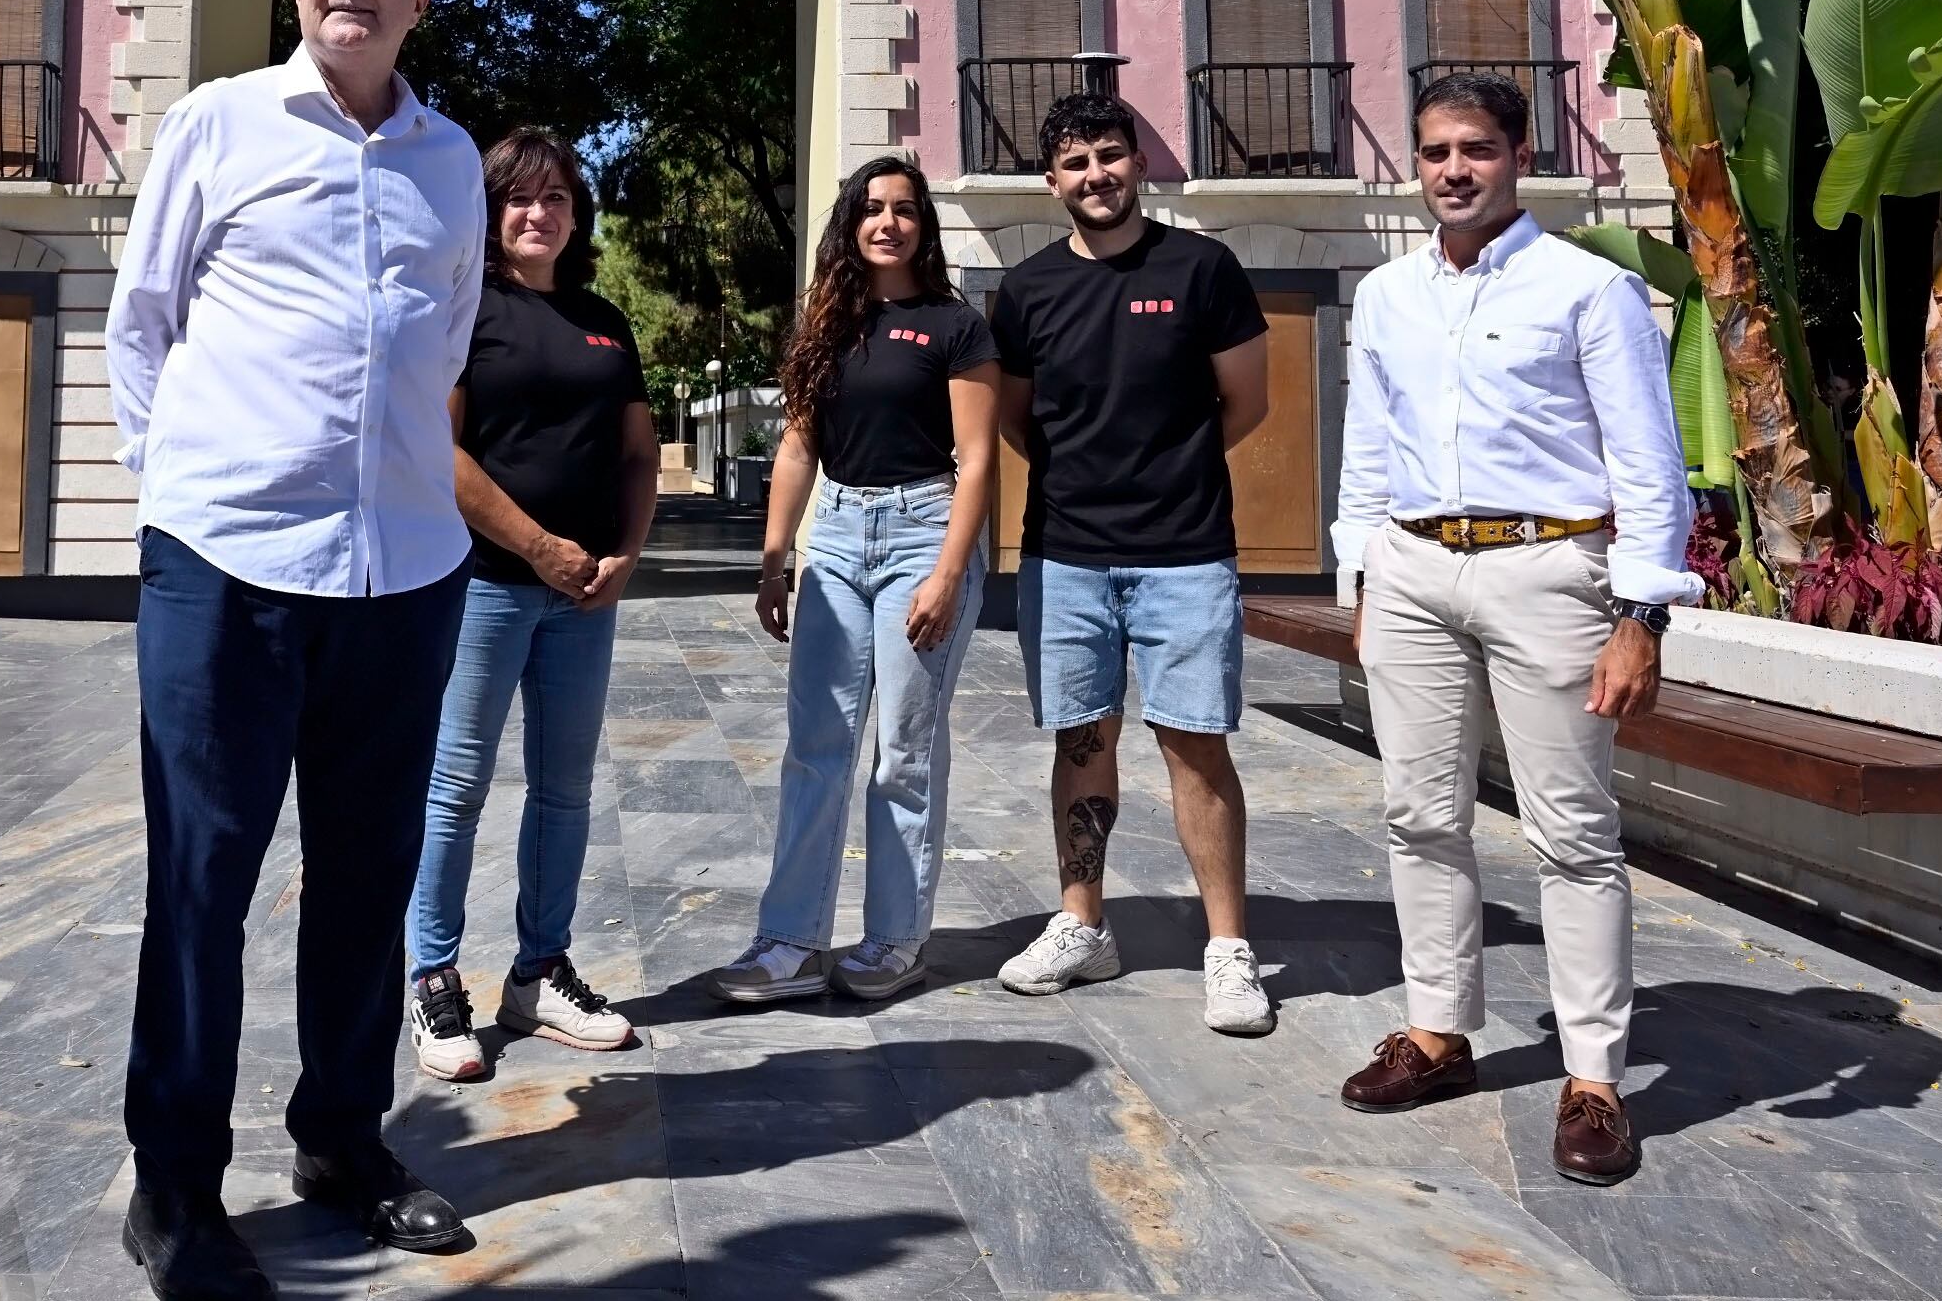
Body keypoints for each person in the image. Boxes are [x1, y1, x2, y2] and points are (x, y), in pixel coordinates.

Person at [104, 0, 486, 1301]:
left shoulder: (450, 158)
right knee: (202, 882)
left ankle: (340, 1136)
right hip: (227, 567)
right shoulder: (216, 124)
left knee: (369, 875)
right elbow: (142, 323)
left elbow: (440, 336)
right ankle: (177, 1187)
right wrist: (184, 494)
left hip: (401, 569)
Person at [1330, 70, 1694, 1186]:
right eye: (1435, 151)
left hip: (1551, 570)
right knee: (1419, 815)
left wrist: (1641, 615)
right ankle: (1438, 1034)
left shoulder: (1590, 290)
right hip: (1413, 570)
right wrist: (1359, 574)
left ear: (1517, 153)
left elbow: (1650, 462)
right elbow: (1369, 443)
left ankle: (1593, 1078)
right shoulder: (1387, 295)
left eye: (1475, 149)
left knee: (1572, 833)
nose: (1452, 170)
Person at [986, 90, 1277, 1035]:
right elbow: (1017, 418)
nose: (1095, 176)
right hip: (1066, 556)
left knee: (1195, 746)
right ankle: (1084, 926)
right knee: (1081, 741)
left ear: (1138, 164)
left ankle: (1229, 951)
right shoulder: (1027, 289)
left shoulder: (1203, 268)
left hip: (1186, 555)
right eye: (1075, 164)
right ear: (1051, 182)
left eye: (1110, 156)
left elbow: (1247, 404)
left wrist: (1169, 474)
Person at [713, 154, 1000, 1005]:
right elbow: (798, 448)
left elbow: (980, 460)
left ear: (923, 226)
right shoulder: (826, 325)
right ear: (852, 222)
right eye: (872, 209)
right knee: (815, 749)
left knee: (902, 758)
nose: (888, 222)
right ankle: (792, 943)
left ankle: (896, 941)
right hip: (835, 537)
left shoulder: (955, 326)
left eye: (905, 209)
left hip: (924, 531)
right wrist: (775, 558)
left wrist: (949, 574)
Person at [404, 129, 658, 1082]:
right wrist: (539, 547)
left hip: (585, 600)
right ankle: (432, 979)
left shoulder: (605, 319)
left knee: (564, 790)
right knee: (456, 788)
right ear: (491, 209)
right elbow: (443, 451)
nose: (539, 213)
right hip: (488, 589)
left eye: (556, 197)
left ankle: (539, 973)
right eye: (519, 197)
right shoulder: (467, 312)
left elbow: (638, 453)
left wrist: (625, 555)